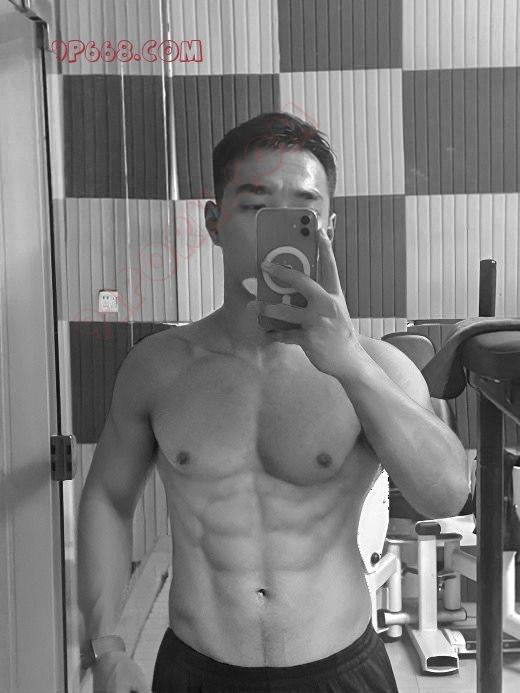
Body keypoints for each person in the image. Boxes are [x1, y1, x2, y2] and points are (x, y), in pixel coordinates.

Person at [77, 113, 469, 693]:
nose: (275, 231)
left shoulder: (376, 366)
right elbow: (108, 499)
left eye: (301, 212)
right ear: (214, 222)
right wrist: (107, 646)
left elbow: (447, 493)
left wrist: (348, 362)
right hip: (197, 669)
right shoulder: (159, 366)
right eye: (255, 206)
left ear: (327, 227)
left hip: (340, 669)